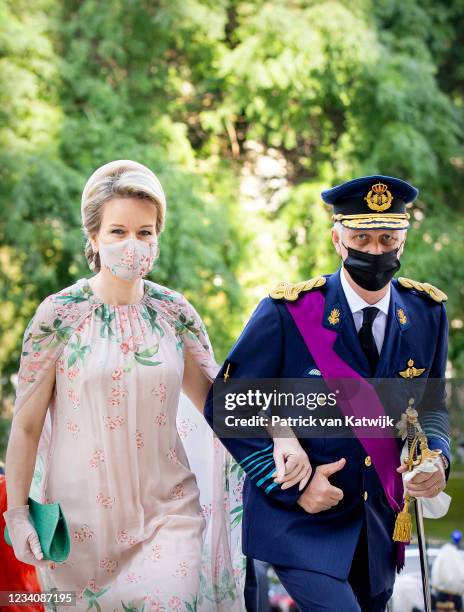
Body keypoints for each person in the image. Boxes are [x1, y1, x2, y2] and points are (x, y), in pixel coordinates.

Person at [3, 160, 310, 610]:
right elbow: (26, 427)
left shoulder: (174, 312)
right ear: (93, 238)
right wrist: (17, 515)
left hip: (169, 512)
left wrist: (281, 433)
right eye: (118, 232)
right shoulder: (59, 315)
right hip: (81, 527)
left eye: (145, 233)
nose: (134, 245)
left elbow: (220, 403)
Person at [204, 175, 452, 611]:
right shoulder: (289, 313)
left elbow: (431, 406)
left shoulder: (427, 313)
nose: (375, 251)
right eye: (361, 238)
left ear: (402, 242)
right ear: (337, 239)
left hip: (379, 524)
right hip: (301, 522)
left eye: (386, 238)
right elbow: (224, 404)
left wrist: (437, 456)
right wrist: (293, 489)